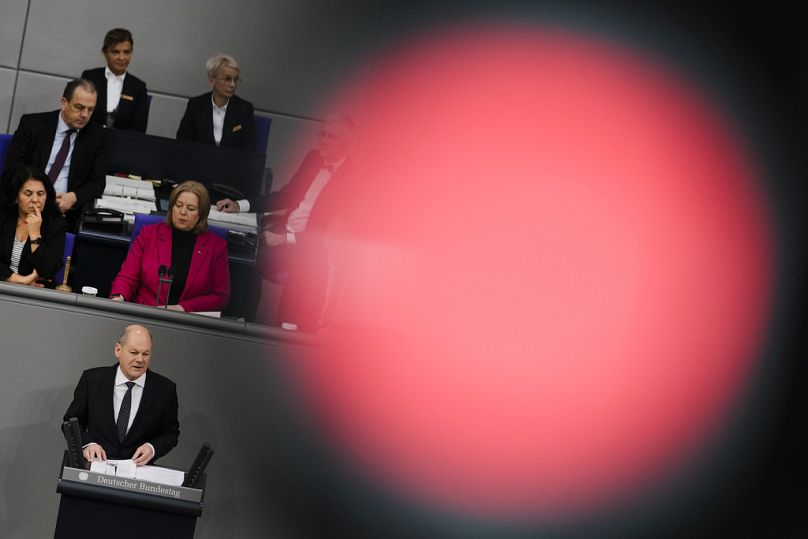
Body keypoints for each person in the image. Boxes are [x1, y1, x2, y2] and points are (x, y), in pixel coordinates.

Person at [217, 114, 359, 331]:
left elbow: (331, 234)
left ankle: (282, 330)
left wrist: (285, 239)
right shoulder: (313, 158)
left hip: (312, 250)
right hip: (283, 232)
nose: (323, 140)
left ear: (347, 142)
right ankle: (243, 324)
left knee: (300, 278)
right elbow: (286, 195)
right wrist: (242, 204)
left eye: (331, 137)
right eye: (321, 134)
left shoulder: (353, 178)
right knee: (246, 258)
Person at [64, 324, 179, 464]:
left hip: (137, 473)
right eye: (134, 352)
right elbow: (70, 422)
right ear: (118, 350)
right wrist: (88, 444)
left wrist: (152, 447)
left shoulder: (165, 389)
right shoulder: (93, 380)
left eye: (146, 354)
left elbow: (171, 434)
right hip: (95, 465)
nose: (140, 359)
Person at [2, 79, 106, 232]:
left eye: (90, 110)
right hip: (22, 206)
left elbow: (97, 183)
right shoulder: (32, 124)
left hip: (62, 215)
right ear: (64, 103)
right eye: (79, 107)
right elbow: (12, 169)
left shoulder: (96, 136)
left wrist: (73, 197)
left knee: (45, 252)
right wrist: (37, 197)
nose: (85, 115)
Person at [110, 180, 230, 312]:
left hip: (190, 319)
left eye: (191, 209)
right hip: (146, 313)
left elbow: (220, 297)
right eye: (178, 206)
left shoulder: (216, 247)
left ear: (201, 214)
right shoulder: (148, 235)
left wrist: (183, 308)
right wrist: (118, 298)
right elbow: (127, 277)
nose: (182, 212)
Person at [0, 166, 66, 286]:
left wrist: (35, 235)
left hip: (35, 293)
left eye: (41, 194)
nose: (35, 200)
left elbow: (48, 270)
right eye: (28, 193)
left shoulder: (55, 224)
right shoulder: (3, 216)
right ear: (16, 197)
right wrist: (20, 280)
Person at [176, 53, 256, 151]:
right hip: (199, 162)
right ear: (211, 80)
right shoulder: (196, 105)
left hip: (231, 164)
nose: (232, 84)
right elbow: (183, 142)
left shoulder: (244, 109)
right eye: (227, 79)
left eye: (235, 79)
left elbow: (249, 149)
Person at [81, 28, 149, 132]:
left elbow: (139, 129)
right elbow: (78, 113)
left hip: (122, 145)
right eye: (115, 52)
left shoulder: (138, 87)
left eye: (126, 52)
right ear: (105, 53)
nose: (122, 58)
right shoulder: (90, 77)